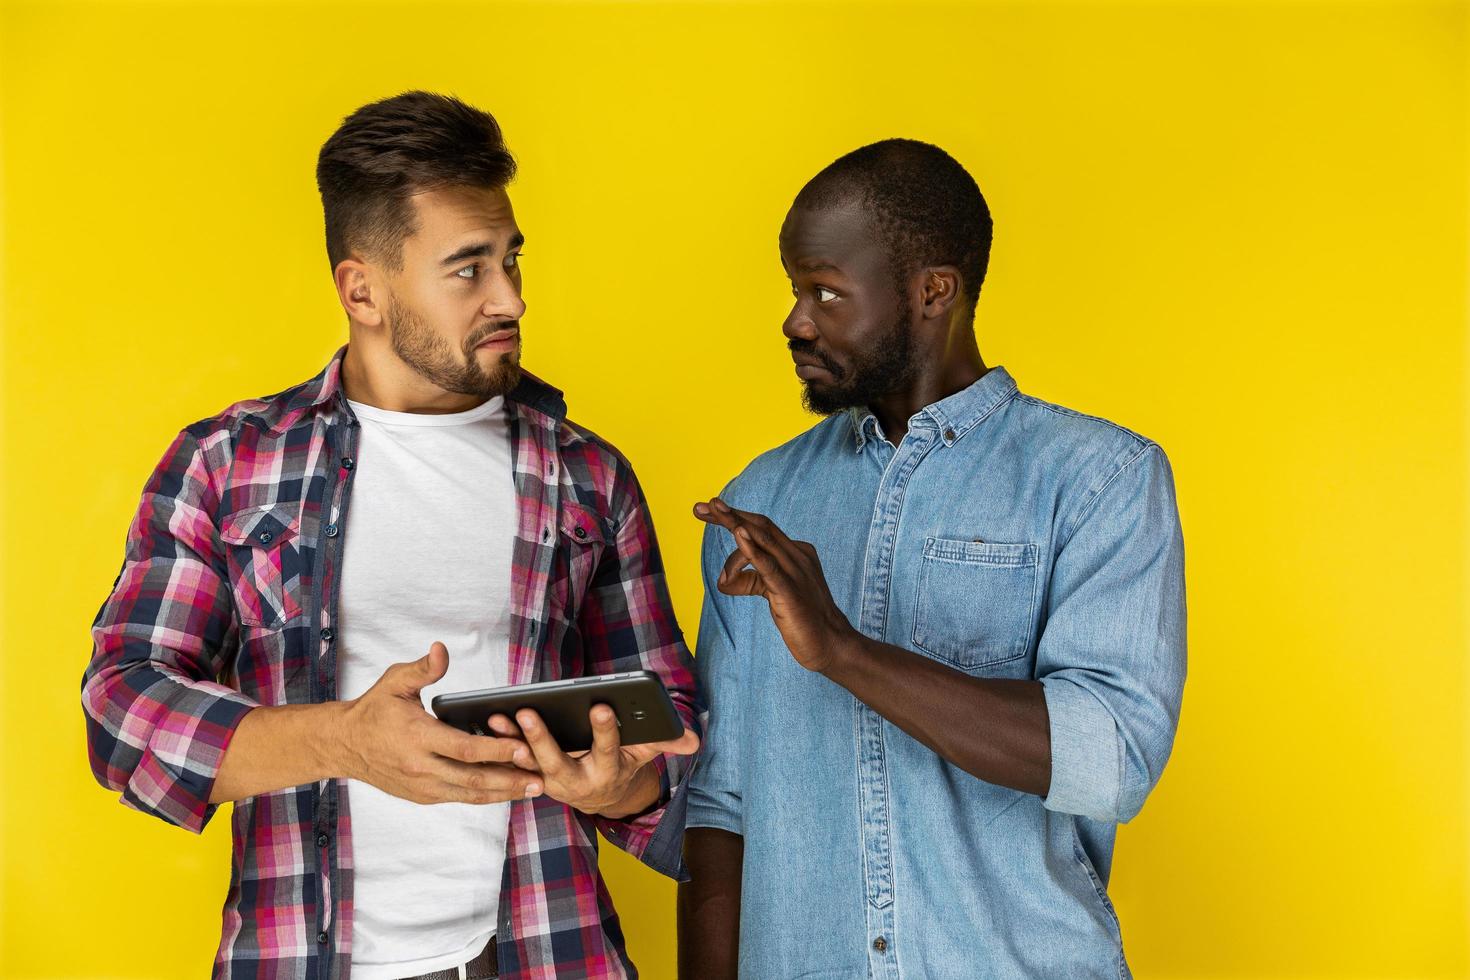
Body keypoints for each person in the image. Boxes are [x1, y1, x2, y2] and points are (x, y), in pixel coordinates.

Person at [82, 90, 700, 980]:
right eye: (468, 269)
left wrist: (620, 784)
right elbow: (121, 712)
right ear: (361, 288)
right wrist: (344, 741)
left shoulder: (588, 476)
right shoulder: (227, 464)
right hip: (299, 957)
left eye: (512, 259)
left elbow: (671, 735)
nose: (511, 297)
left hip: (542, 953)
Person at [678, 139, 1186, 979]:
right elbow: (721, 801)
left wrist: (841, 649)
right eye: (794, 290)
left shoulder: (1100, 481)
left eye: (826, 292)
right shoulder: (757, 501)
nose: (796, 321)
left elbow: (1112, 757)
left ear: (932, 292)